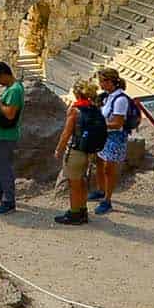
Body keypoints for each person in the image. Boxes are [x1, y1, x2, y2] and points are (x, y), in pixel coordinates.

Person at [54, 77, 107, 226]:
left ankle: (74, 213)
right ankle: (82, 210)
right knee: (82, 181)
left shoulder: (75, 110)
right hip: (89, 151)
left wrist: (59, 149)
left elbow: (66, 133)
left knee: (74, 184)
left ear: (77, 94)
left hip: (76, 151)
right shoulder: (94, 108)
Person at [91, 68, 133, 216]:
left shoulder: (120, 100)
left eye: (102, 82)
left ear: (110, 81)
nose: (101, 85)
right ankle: (100, 190)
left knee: (109, 169)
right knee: (100, 163)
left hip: (115, 138)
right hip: (105, 136)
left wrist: (97, 125)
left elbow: (117, 124)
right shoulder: (108, 97)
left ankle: (107, 200)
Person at [0, 62, 24, 215]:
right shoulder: (12, 88)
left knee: (4, 167)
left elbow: (10, 113)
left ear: (4, 75)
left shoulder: (14, 91)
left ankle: (8, 200)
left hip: (7, 135)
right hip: (0, 133)